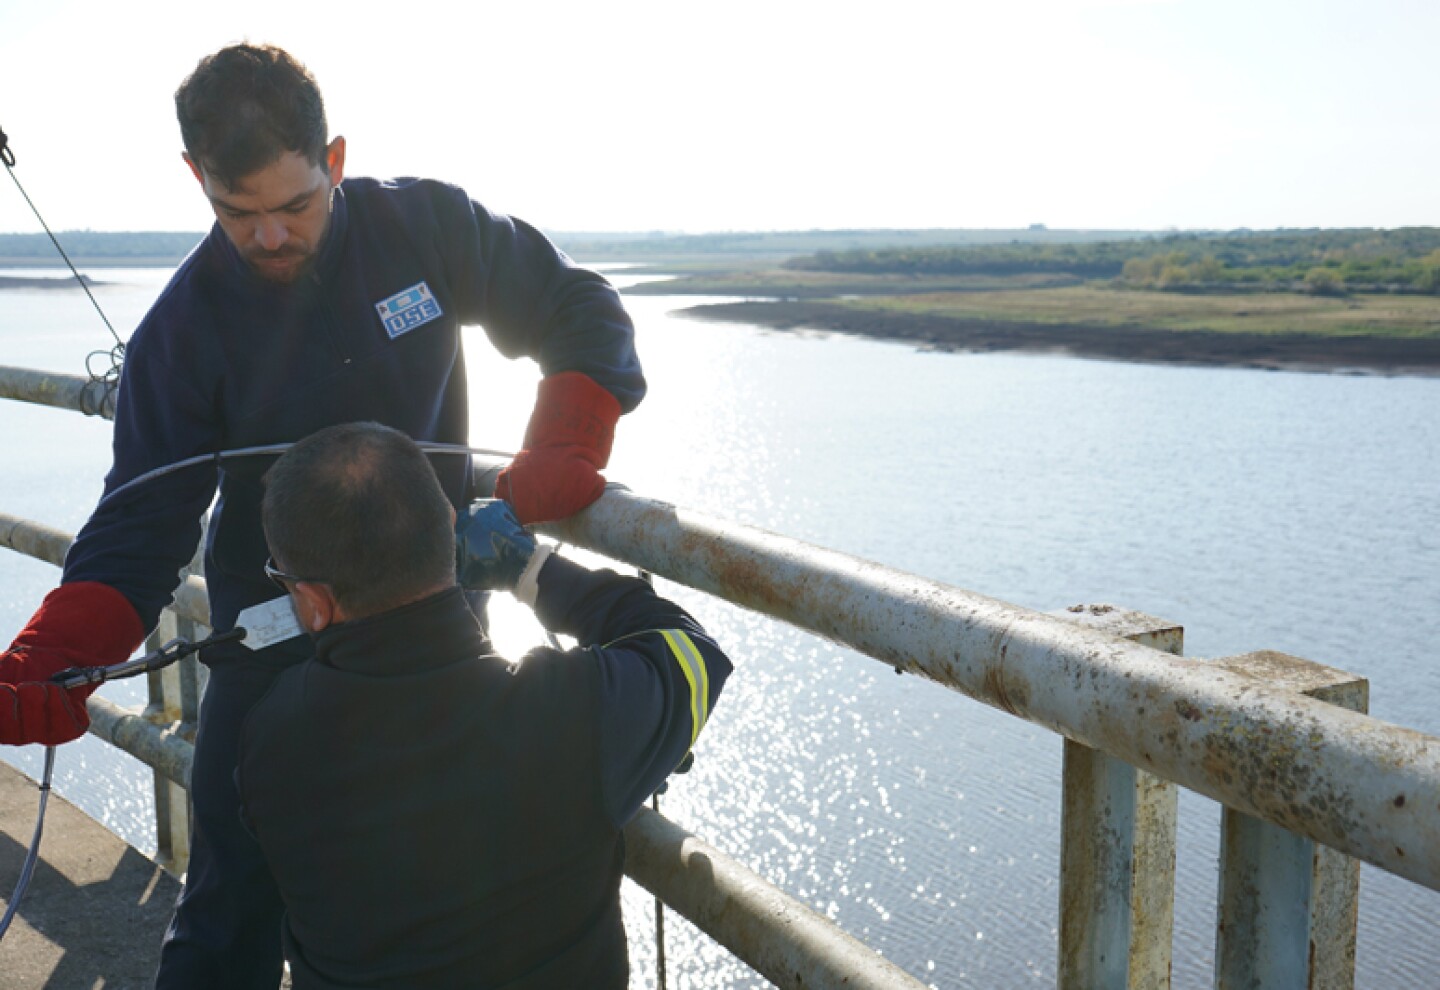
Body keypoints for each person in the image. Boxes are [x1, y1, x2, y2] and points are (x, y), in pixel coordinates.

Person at [0, 43, 645, 988]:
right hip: (271, 653)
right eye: (238, 213)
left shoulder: (425, 226)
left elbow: (575, 305)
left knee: (450, 896)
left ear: (334, 159)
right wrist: (60, 649)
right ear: (196, 180)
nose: (268, 237)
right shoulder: (180, 335)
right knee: (227, 912)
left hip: (438, 632)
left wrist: (571, 434)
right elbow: (142, 523)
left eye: (294, 206)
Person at [236, 421, 729, 989]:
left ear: (313, 601)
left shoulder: (269, 738)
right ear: (449, 528)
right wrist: (530, 568)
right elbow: (694, 655)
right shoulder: (569, 714)